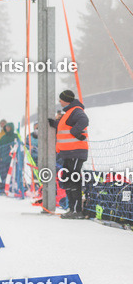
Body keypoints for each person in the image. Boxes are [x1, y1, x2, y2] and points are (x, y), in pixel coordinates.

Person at [49, 89, 90, 218]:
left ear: (66, 100)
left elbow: (84, 120)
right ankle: (72, 209)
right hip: (68, 152)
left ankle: (77, 211)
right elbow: (65, 127)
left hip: (76, 152)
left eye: (60, 99)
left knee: (73, 180)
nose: (59, 101)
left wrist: (75, 132)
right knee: (67, 180)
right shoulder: (69, 113)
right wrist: (54, 123)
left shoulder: (76, 110)